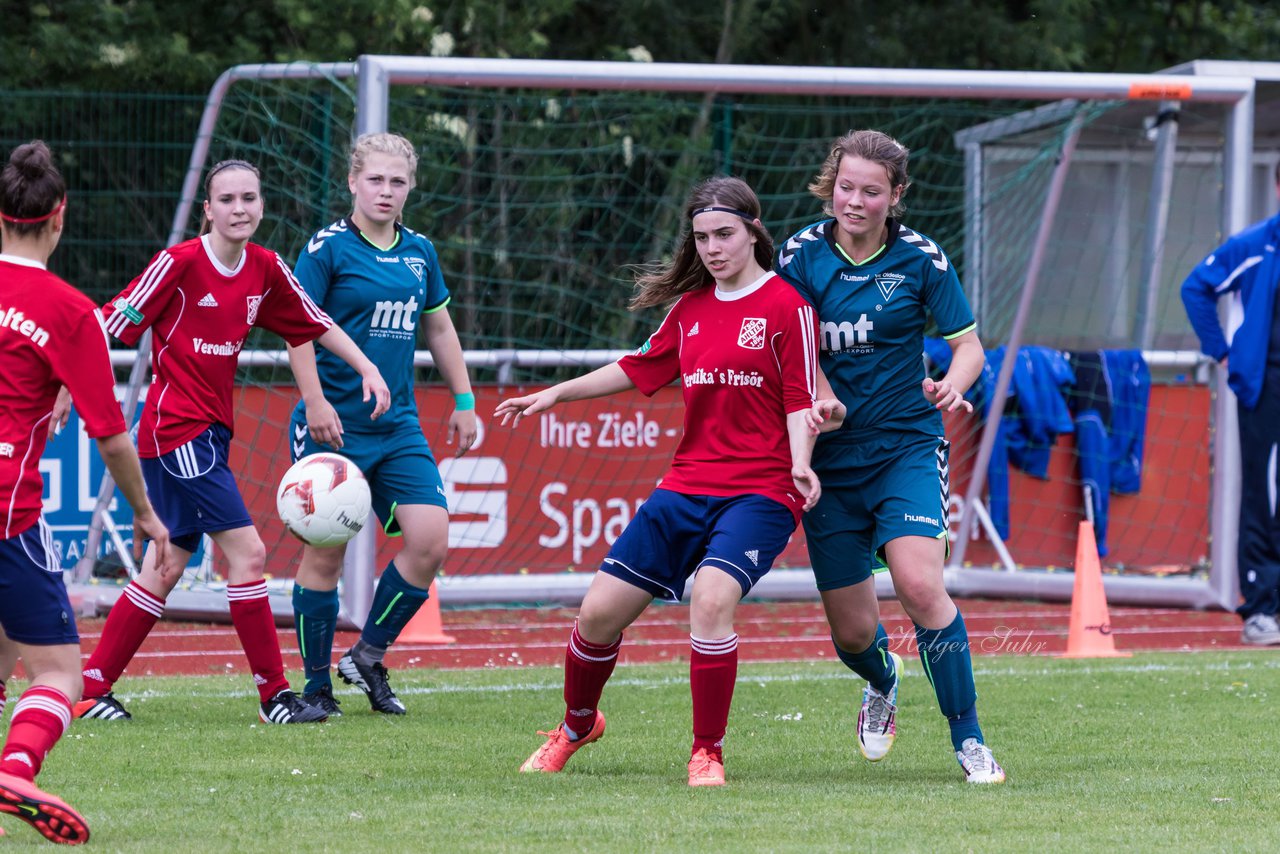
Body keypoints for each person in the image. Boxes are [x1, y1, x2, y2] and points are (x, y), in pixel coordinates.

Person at [499, 176, 836, 787]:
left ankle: (707, 751)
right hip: (686, 485)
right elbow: (637, 367)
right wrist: (552, 394)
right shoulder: (690, 310)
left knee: (711, 598)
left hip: (762, 489)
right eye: (702, 236)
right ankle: (576, 725)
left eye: (724, 234)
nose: (712, 247)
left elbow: (800, 397)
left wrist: (801, 461)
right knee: (598, 615)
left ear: (753, 233)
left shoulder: (789, 307)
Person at [74, 158, 392, 726]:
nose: (239, 208)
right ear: (208, 210)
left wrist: (367, 365)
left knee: (167, 562)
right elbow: (104, 324)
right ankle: (275, 696)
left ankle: (91, 685)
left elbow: (314, 322)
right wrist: (59, 383)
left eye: (249, 198)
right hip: (176, 431)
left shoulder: (266, 268)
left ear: (261, 206)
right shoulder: (178, 263)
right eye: (227, 200)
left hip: (209, 432)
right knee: (248, 554)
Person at [775, 130, 1005, 783]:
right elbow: (787, 347)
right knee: (852, 635)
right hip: (829, 461)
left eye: (870, 191)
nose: (854, 200)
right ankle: (883, 678)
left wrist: (953, 383)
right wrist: (816, 402)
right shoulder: (799, 257)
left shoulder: (922, 261)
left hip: (906, 444)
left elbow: (969, 346)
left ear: (895, 195)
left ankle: (970, 741)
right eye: (845, 187)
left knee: (921, 585)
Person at [0, 140, 174, 844]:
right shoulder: (70, 311)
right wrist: (145, 515)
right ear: (59, 217)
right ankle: (16, 767)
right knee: (61, 675)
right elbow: (111, 434)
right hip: (9, 506)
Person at [285, 133, 477, 717]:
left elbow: (439, 329)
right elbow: (297, 326)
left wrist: (464, 400)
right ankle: (316, 688)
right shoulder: (327, 249)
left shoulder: (420, 251)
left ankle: (367, 657)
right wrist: (314, 402)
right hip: (332, 427)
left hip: (398, 426)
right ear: (352, 182)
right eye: (376, 180)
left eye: (397, 182)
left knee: (430, 541)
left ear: (410, 187)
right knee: (326, 552)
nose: (386, 191)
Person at [1181, 162, 1280, 645]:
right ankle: (1262, 608)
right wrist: (1221, 351)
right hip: (1269, 388)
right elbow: (1195, 286)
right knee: (1265, 493)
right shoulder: (1256, 244)